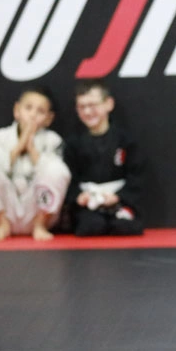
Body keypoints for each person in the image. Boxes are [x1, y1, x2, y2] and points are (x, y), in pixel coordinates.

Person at [0, 87, 71, 241]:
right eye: (28, 108)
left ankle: (40, 225)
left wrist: (32, 149)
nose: (33, 115)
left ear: (49, 119)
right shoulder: (0, 136)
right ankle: (1, 225)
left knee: (57, 169)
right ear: (17, 110)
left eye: (40, 111)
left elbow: (55, 177)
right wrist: (20, 145)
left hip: (36, 209)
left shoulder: (53, 140)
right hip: (7, 208)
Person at [62, 79, 145, 236]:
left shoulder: (126, 140)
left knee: (125, 226)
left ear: (109, 104)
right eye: (82, 107)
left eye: (92, 105)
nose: (87, 112)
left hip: (118, 200)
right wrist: (79, 196)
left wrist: (118, 197)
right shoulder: (73, 144)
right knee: (90, 226)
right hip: (89, 203)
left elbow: (137, 176)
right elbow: (68, 179)